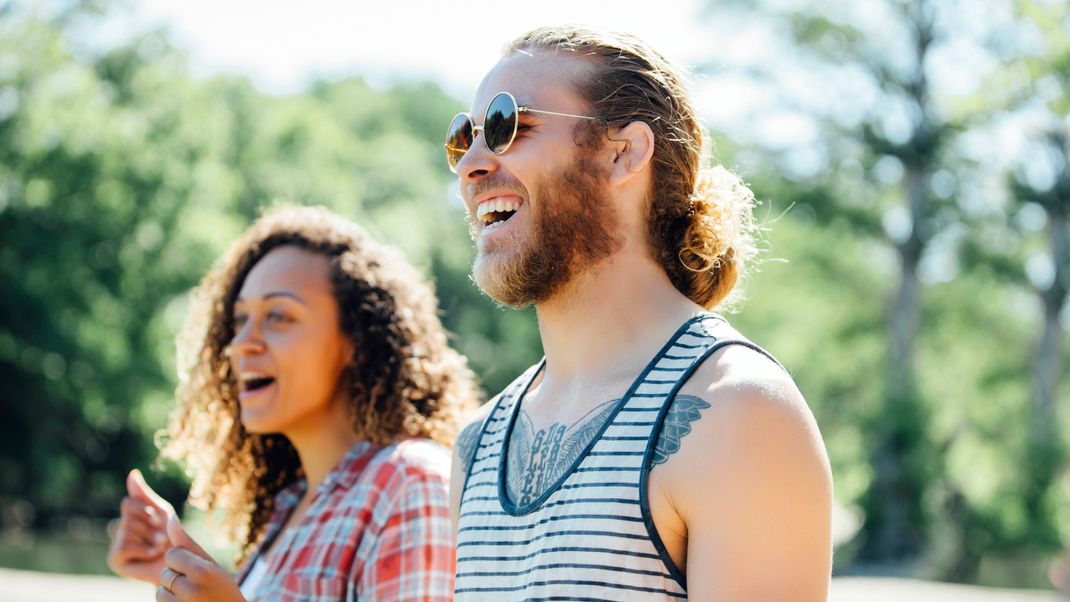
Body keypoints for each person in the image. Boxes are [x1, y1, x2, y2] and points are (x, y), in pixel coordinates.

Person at [446, 26, 833, 600]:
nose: (470, 165)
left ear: (623, 152)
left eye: (507, 126)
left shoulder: (737, 413)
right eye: (462, 137)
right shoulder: (475, 447)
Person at [107, 206, 478, 601]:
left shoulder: (410, 484)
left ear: (356, 339)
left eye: (278, 316)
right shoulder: (292, 504)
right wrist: (177, 570)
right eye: (239, 320)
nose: (240, 344)